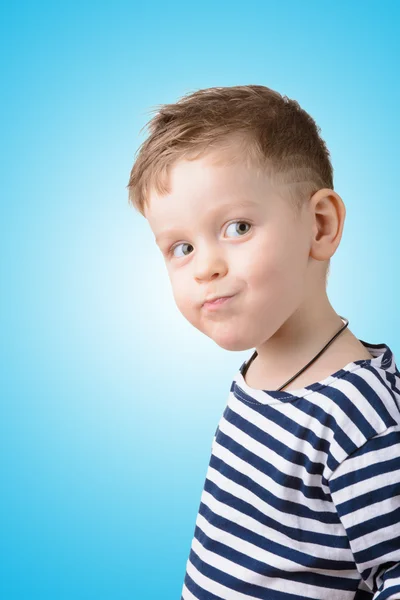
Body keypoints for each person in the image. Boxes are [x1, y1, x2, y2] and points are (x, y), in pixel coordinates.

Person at [127, 85, 400, 599]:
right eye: (181, 247)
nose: (205, 267)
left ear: (320, 226)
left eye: (237, 226)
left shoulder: (360, 416)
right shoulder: (256, 375)